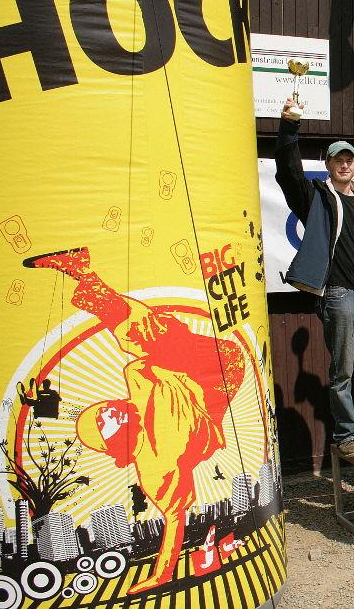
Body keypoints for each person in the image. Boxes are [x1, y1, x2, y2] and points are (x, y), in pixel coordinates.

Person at [22, 247, 245, 594]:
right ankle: (83, 273)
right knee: (145, 349)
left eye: (106, 409)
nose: (112, 412)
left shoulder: (139, 387)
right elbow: (174, 519)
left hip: (197, 363)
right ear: (114, 444)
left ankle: (82, 273)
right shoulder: (155, 468)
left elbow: (141, 348)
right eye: (107, 422)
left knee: (143, 348)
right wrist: (162, 574)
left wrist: (45, 401)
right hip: (215, 385)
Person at [274, 99, 354, 457]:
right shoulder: (316, 198)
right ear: (328, 164)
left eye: (349, 159)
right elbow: (288, 173)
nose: (344, 164)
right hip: (338, 294)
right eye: (337, 159)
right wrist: (289, 127)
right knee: (343, 370)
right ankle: (346, 436)